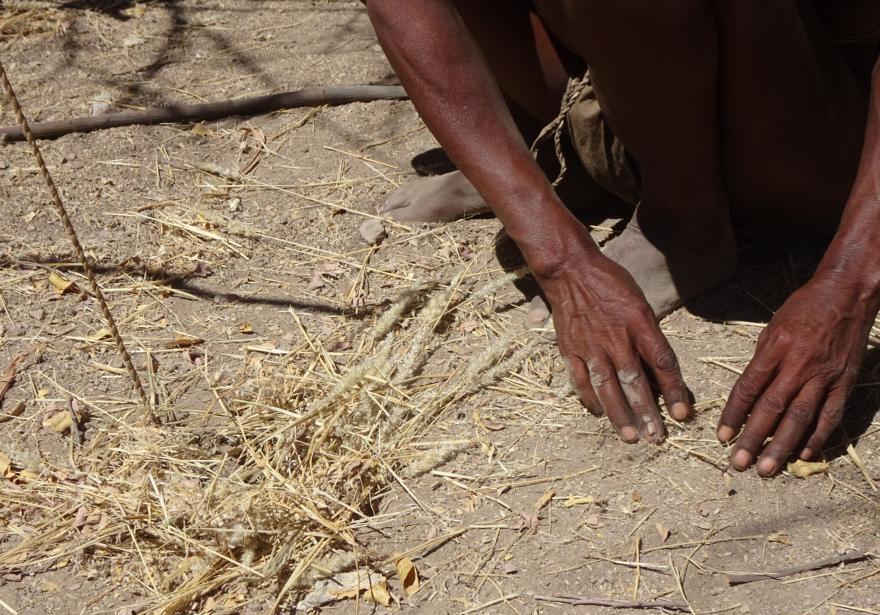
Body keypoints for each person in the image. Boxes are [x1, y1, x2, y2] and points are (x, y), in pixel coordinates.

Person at [363, 0, 880, 477]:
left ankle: (683, 221)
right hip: (626, 83)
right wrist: (559, 257)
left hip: (807, 129)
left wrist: (849, 285)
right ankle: (550, 153)